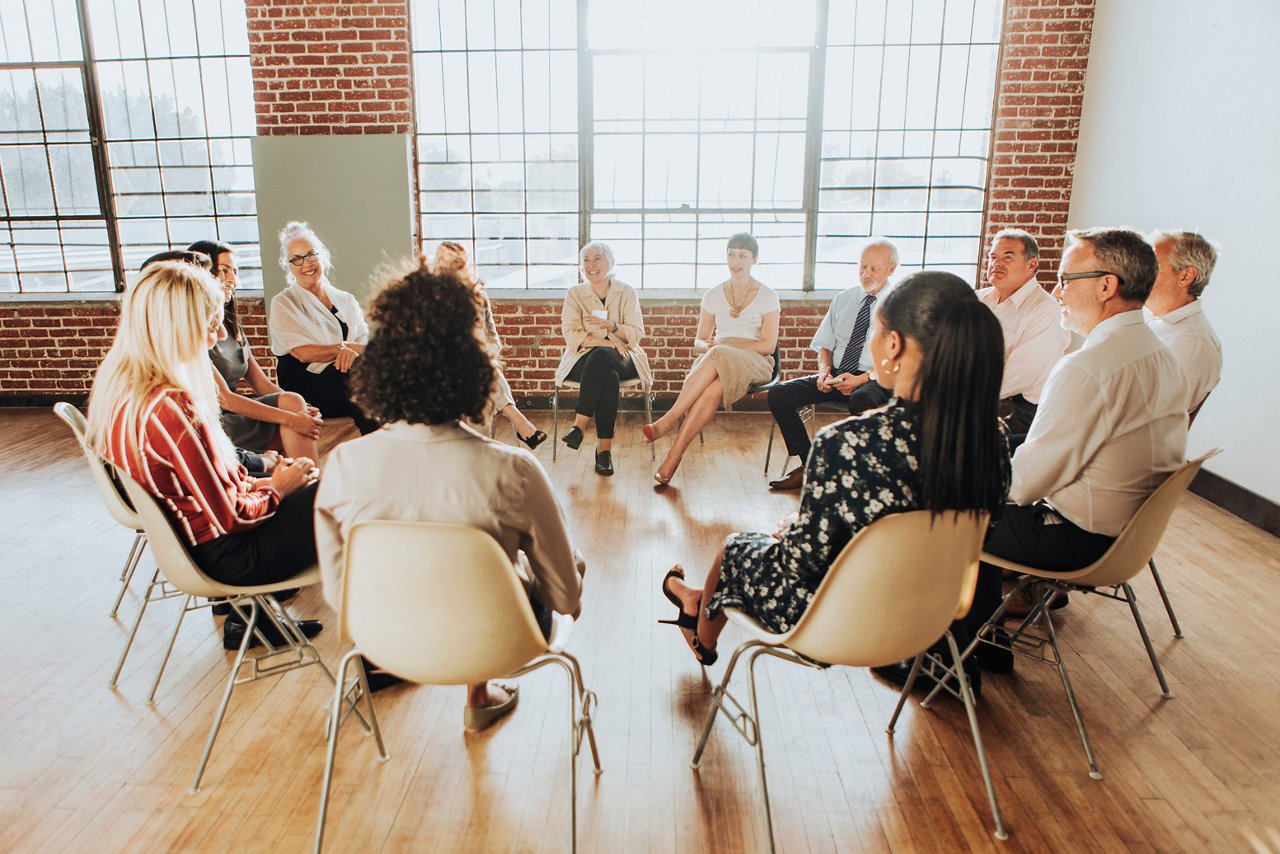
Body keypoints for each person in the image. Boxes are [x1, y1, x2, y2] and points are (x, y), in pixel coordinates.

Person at [660, 271, 1009, 672]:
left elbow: (802, 563)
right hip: (930, 620)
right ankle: (694, 601)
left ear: (892, 345)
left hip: (841, 624)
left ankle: (700, 631)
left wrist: (791, 531)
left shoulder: (847, 443)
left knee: (735, 549)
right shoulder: (990, 437)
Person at [315, 262, 587, 728]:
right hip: (499, 642)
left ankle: (464, 683)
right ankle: (477, 695)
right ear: (475, 367)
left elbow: (341, 595)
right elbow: (564, 599)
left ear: (381, 366)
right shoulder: (515, 471)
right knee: (556, 560)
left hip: (387, 644)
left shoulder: (342, 466)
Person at [962, 227, 1188, 658]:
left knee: (947, 509)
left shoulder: (1087, 368)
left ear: (1107, 286)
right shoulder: (1159, 353)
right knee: (976, 490)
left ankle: (956, 655)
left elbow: (1025, 486)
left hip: (1077, 538)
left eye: (1066, 279)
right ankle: (983, 642)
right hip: (1127, 538)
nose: (1056, 290)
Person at [87, 261, 323, 650]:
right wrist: (279, 487)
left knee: (324, 488)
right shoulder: (172, 408)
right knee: (347, 495)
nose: (221, 333)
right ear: (177, 327)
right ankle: (384, 647)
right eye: (212, 322)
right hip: (231, 557)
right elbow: (230, 516)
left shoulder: (127, 391)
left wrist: (265, 478)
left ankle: (253, 619)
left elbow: (205, 490)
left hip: (201, 547)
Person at [643, 233, 779, 485]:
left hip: (755, 359)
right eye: (730, 254)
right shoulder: (713, 294)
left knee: (719, 353)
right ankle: (672, 459)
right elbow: (699, 341)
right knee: (713, 388)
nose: (735, 260)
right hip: (718, 358)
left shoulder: (768, 295)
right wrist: (708, 346)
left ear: (754, 259)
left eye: (742, 255)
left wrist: (722, 348)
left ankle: (670, 418)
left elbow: (769, 345)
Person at [766, 238, 899, 491]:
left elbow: (899, 361)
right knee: (779, 394)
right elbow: (824, 346)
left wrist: (861, 379)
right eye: (862, 267)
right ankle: (810, 466)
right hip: (837, 374)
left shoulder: (901, 304)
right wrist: (824, 372)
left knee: (861, 400)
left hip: (875, 378)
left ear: (891, 269)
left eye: (874, 268)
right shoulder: (844, 298)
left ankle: (860, 472)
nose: (865, 273)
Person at [189, 239, 323, 463]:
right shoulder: (195, 332)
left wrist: (302, 409)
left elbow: (261, 385)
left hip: (237, 410)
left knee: (294, 403)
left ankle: (306, 485)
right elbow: (226, 400)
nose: (233, 279)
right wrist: (291, 418)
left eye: (235, 271)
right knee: (292, 419)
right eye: (224, 271)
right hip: (214, 419)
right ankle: (312, 487)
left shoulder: (233, 328)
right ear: (204, 274)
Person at [433, 241, 546, 451]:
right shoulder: (430, 299)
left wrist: (486, 354)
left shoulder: (479, 296)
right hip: (443, 368)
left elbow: (493, 338)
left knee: (482, 383)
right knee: (482, 373)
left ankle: (479, 449)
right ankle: (518, 421)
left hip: (477, 365)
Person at [268, 221, 377, 435]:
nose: (306, 264)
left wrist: (352, 352)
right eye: (296, 259)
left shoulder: (345, 299)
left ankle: (388, 441)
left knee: (373, 373)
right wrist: (343, 349)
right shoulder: (284, 302)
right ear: (288, 266)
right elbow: (303, 353)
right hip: (307, 385)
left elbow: (366, 343)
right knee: (360, 377)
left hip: (347, 374)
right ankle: (381, 446)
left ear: (322, 257)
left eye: (311, 255)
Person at [554, 241, 652, 476]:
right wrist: (608, 342)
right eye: (586, 260)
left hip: (625, 357)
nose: (591, 265)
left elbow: (636, 334)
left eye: (597, 258)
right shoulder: (575, 294)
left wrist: (612, 326)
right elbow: (572, 335)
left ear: (611, 263)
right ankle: (604, 452)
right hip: (582, 359)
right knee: (606, 372)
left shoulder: (626, 292)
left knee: (605, 362)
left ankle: (579, 425)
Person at [977, 228, 1071, 434]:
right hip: (976, 394)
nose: (996, 264)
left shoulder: (1046, 311)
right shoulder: (978, 299)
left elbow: (1016, 377)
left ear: (1032, 264)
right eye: (993, 257)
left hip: (1017, 407)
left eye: (1007, 257)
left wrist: (958, 400)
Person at [1144, 229, 1222, 416]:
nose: (1138, 272)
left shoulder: (1190, 343)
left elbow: (1144, 418)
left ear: (1186, 276)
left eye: (1151, 265)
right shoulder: (1152, 320)